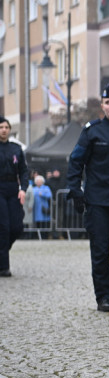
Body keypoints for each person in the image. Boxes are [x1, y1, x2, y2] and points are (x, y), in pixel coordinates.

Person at [67, 85, 109, 311]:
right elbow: (76, 161)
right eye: (108, 103)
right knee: (100, 249)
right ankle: (104, 296)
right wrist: (75, 190)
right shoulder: (91, 131)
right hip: (97, 200)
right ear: (102, 106)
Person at [0, 118, 28, 277]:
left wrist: (23, 189)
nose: (4, 130)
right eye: (1, 127)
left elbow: (24, 171)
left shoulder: (16, 149)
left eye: (6, 127)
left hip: (13, 188)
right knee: (3, 226)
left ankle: (1, 251)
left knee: (16, 227)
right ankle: (3, 266)